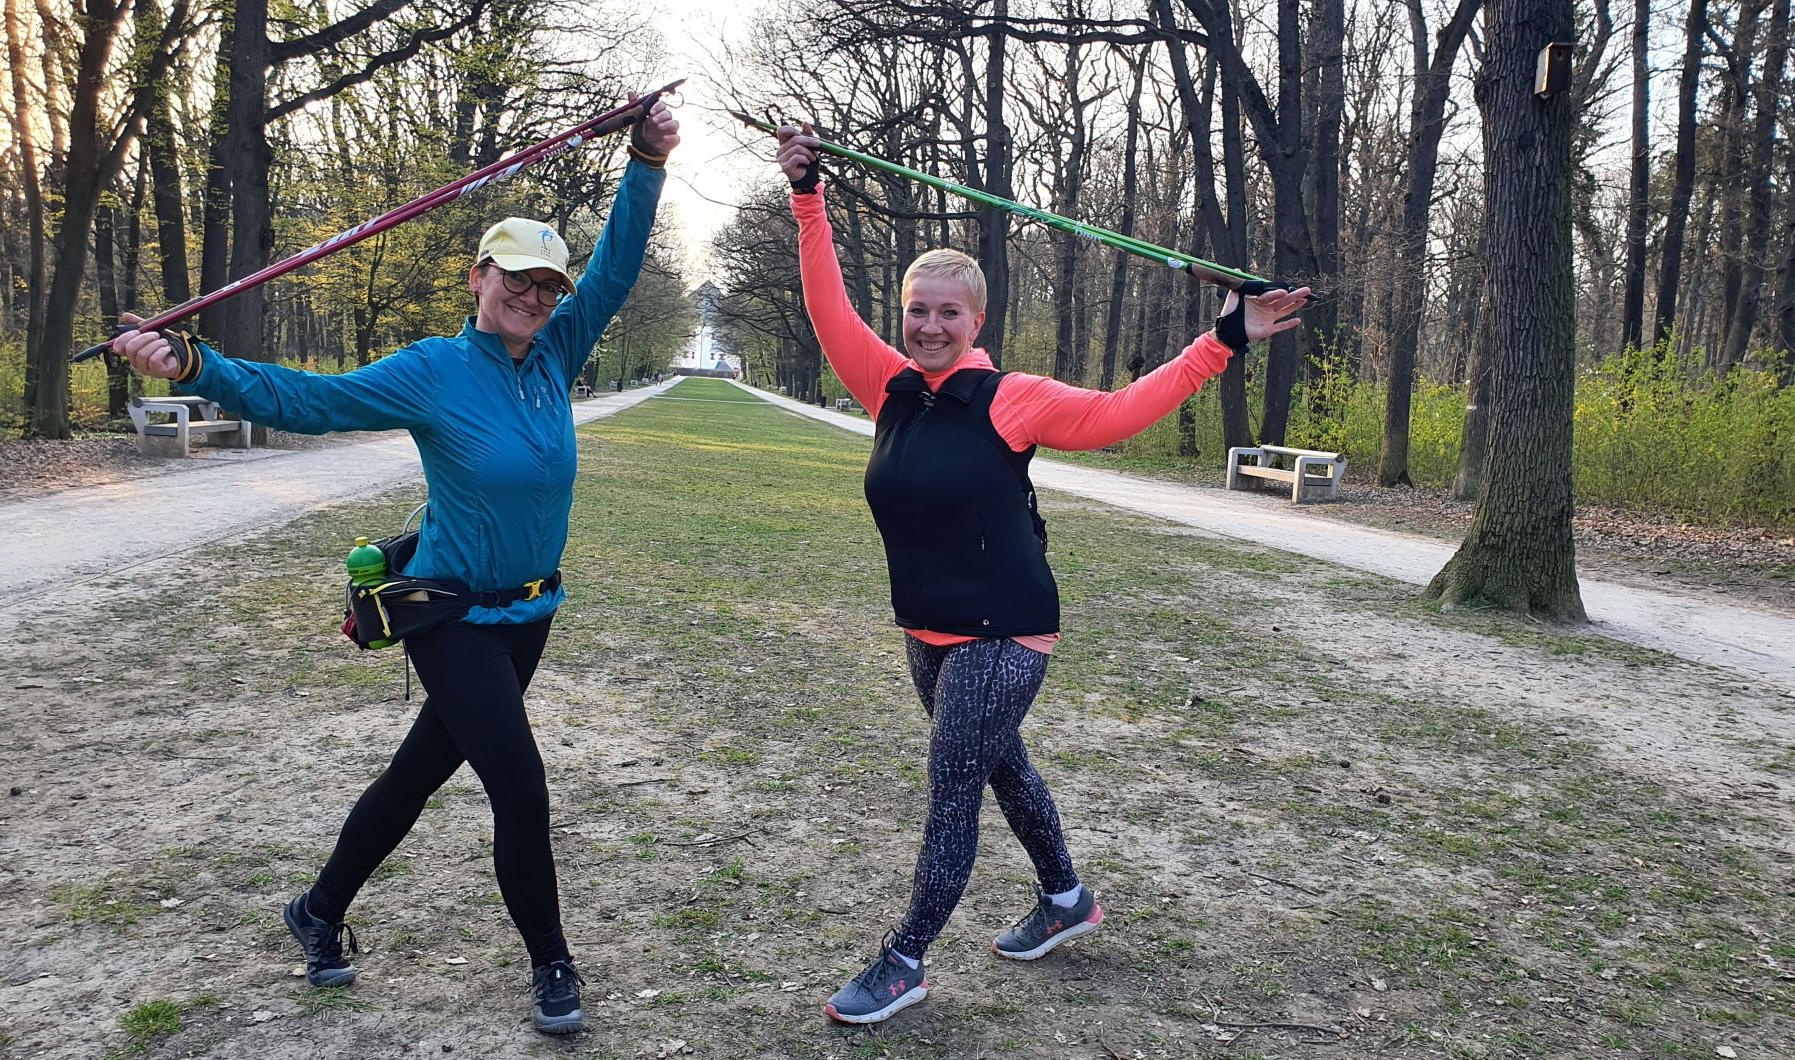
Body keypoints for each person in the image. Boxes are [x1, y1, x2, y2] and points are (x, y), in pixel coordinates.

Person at [109, 97, 680, 1036]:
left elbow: (614, 268)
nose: (533, 297)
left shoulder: (555, 352)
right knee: (520, 788)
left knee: (417, 773)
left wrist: (645, 165)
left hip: (529, 615)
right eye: (516, 280)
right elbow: (308, 400)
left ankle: (317, 910)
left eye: (546, 285)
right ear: (478, 277)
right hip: (451, 616)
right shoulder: (431, 370)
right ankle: (552, 966)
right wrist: (194, 364)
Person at [774, 124, 1311, 1025]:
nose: (930, 325)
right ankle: (1066, 899)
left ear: (976, 321)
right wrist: (806, 196)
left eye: (949, 312)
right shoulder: (889, 388)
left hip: (1005, 628)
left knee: (953, 790)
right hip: (929, 629)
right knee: (999, 767)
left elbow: (1120, 410)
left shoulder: (1010, 397)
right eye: (918, 310)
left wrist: (1224, 337)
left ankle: (903, 959)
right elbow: (829, 306)